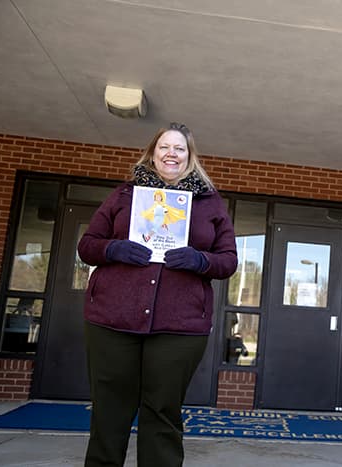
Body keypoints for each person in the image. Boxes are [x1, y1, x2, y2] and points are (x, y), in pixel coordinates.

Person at [78, 122, 238, 467]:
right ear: (152, 153)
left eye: (179, 148)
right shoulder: (124, 195)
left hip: (179, 326)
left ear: (189, 157)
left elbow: (228, 261)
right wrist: (114, 250)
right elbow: (87, 245)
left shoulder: (210, 203)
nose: (171, 154)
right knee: (109, 411)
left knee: (162, 412)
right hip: (112, 319)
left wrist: (200, 260)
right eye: (164, 147)